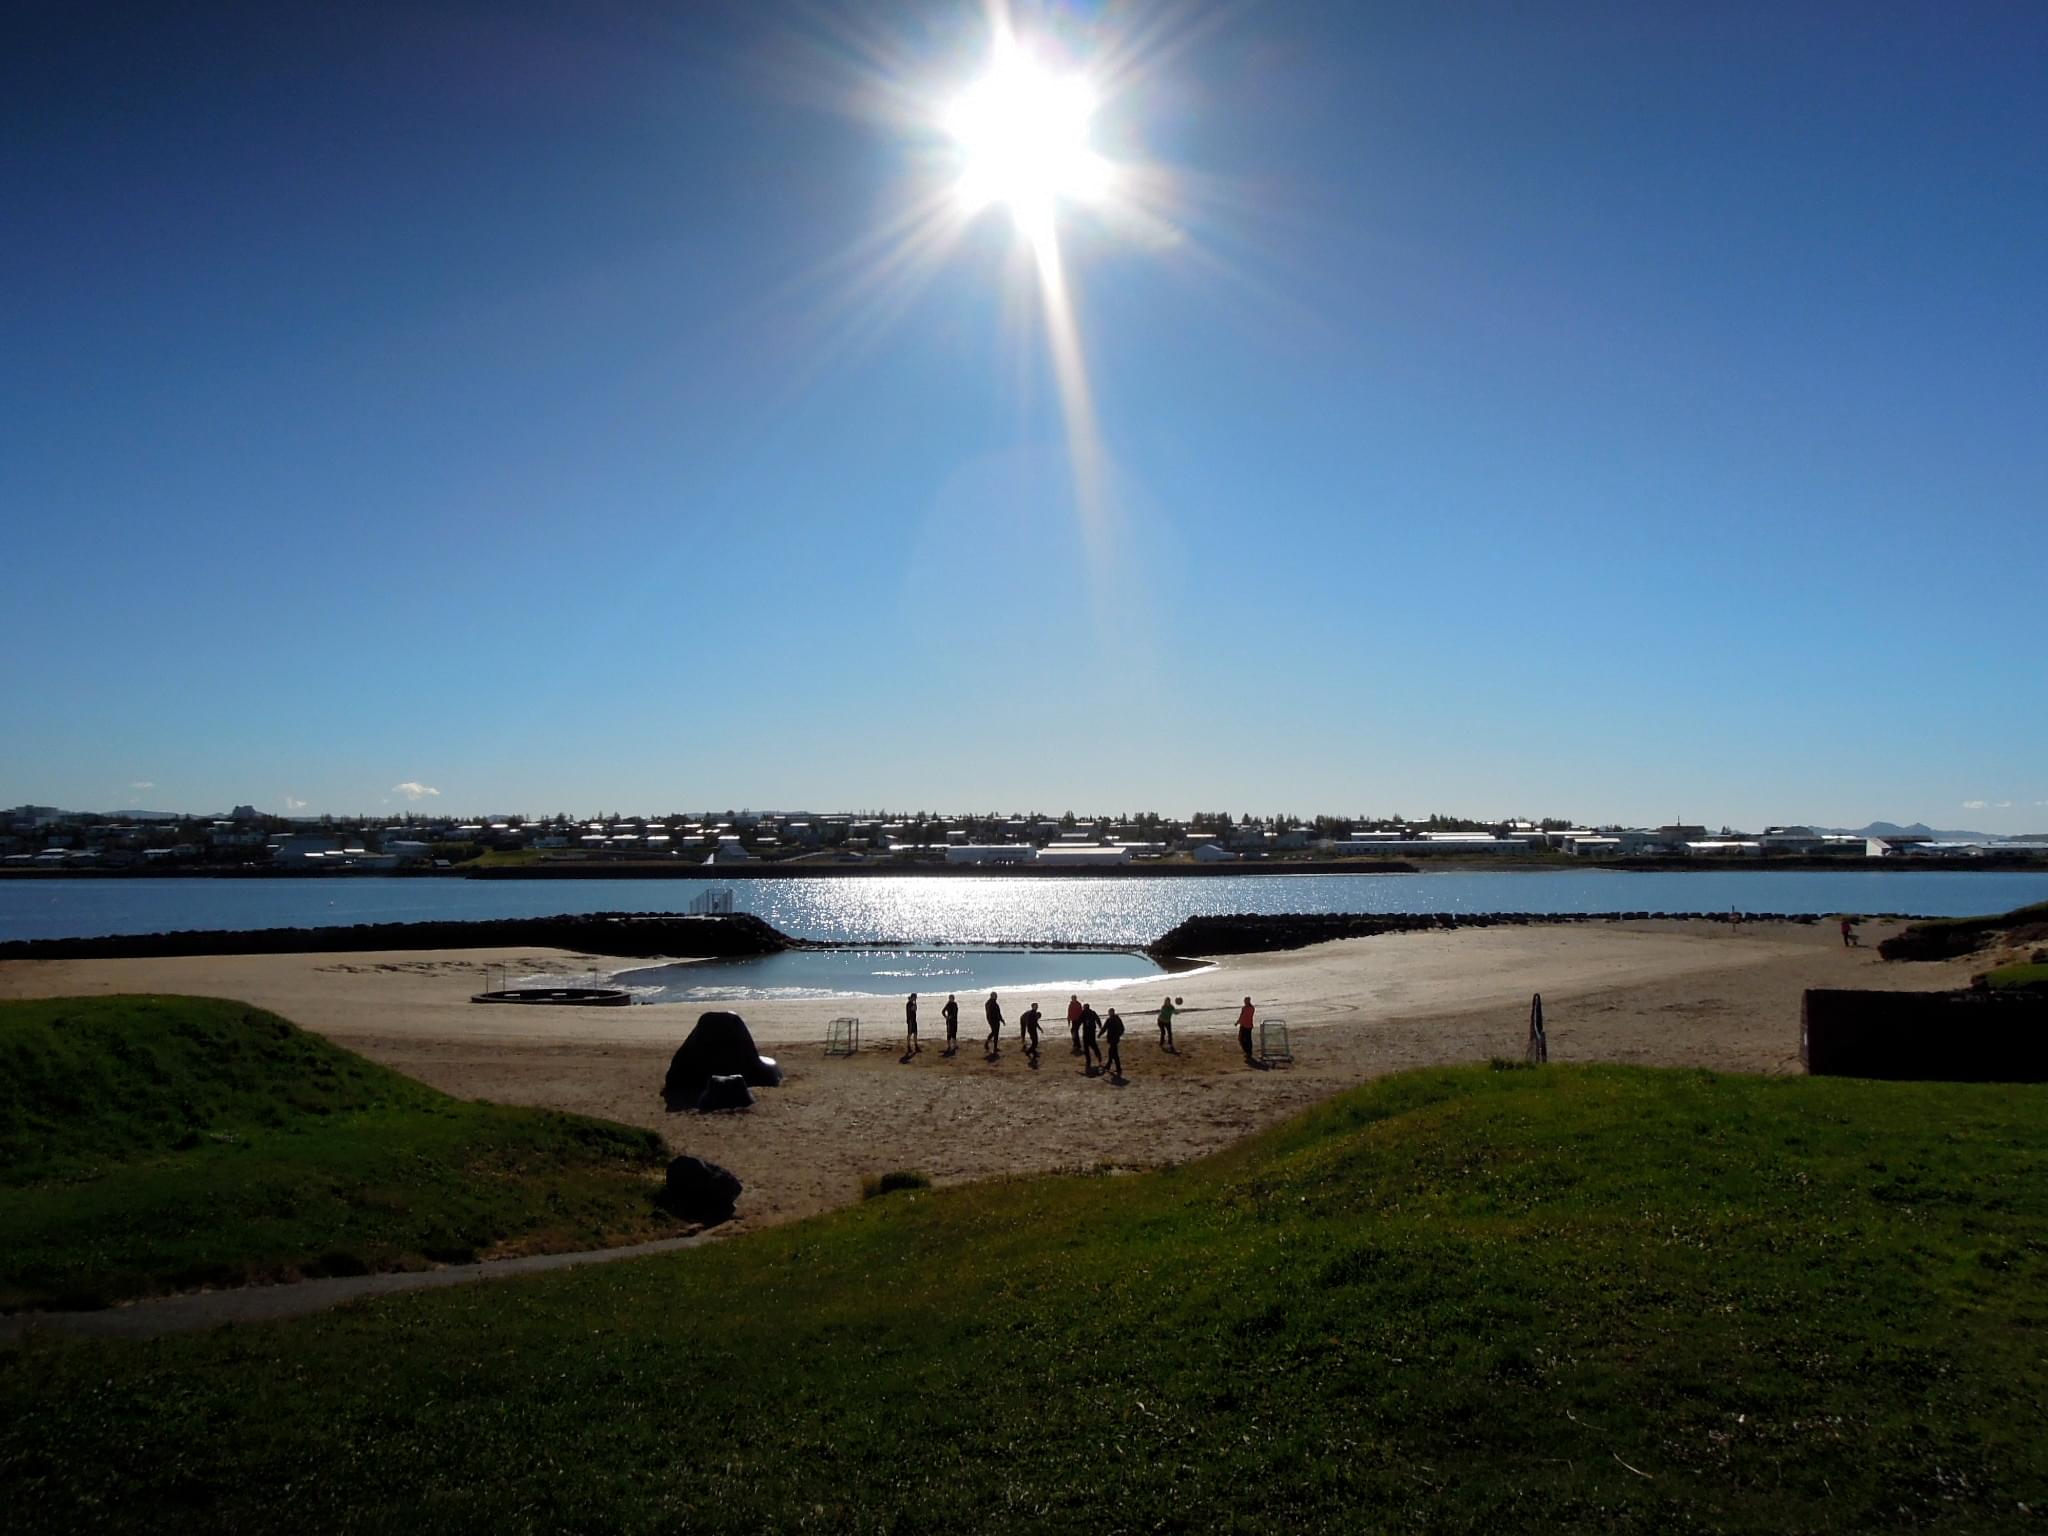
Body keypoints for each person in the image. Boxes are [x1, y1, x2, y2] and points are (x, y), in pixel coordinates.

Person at [1079, 1001, 1102, 1072]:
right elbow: (1098, 1019)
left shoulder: (1083, 1013)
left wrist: (1075, 1028)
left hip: (1086, 1033)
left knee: (1087, 1048)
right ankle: (1099, 1058)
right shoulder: (1092, 1012)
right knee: (1094, 1046)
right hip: (1092, 1032)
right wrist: (1100, 1027)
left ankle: (1088, 1062)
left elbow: (1079, 1021)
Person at [1103, 1007, 1125, 1078]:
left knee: (1113, 1053)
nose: (1109, 1013)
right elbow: (1122, 1029)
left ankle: (1111, 1067)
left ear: (1111, 1012)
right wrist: (1119, 1035)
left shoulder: (1111, 1019)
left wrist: (1100, 1034)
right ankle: (1111, 1067)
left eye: (1109, 1012)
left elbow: (1104, 1028)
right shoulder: (1117, 1019)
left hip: (1113, 1039)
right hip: (1115, 1039)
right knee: (1113, 1053)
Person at [1237, 996, 1257, 1065]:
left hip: (1244, 1025)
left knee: (1241, 1039)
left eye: (1245, 1001)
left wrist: (1238, 1022)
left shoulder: (1245, 1008)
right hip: (1249, 1025)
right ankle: (1249, 1052)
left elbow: (1242, 1016)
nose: (1244, 1002)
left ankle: (1247, 1052)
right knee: (1248, 1039)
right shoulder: (1252, 1008)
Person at [984, 991, 1004, 1056]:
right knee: (994, 1032)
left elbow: (998, 1013)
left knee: (995, 1033)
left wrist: (1001, 1020)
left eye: (996, 996)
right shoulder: (989, 1003)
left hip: (996, 1020)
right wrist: (990, 1020)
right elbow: (989, 1013)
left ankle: (994, 1047)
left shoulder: (995, 1003)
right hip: (992, 1020)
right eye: (995, 996)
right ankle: (987, 1044)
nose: (996, 997)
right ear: (991, 996)